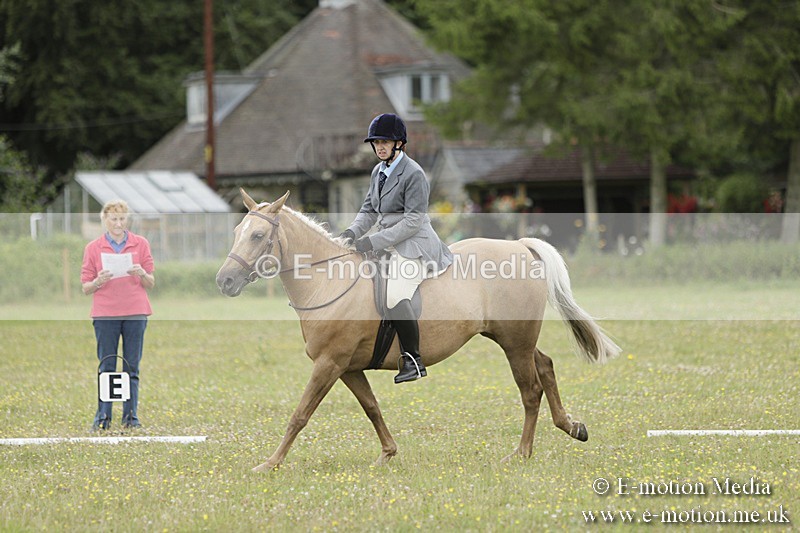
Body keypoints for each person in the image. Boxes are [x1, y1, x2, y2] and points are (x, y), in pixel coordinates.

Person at [340, 113, 453, 383]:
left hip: (415, 244)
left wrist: (372, 241)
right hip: (388, 243)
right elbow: (368, 210)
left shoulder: (413, 173)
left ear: (399, 143)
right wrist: (352, 232)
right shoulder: (377, 172)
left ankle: (413, 359)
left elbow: (413, 221)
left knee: (395, 294)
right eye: (376, 142)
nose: (380, 147)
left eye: (385, 142)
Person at [81, 200, 155, 430]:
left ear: (127, 220)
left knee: (132, 366)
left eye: (122, 218)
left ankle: (130, 417)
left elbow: (151, 282)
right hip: (105, 315)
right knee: (107, 366)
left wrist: (142, 272)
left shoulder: (140, 244)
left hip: (135, 312)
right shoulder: (93, 248)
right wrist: (98, 281)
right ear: (105, 220)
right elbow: (85, 287)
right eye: (113, 218)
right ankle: (103, 417)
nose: (118, 223)